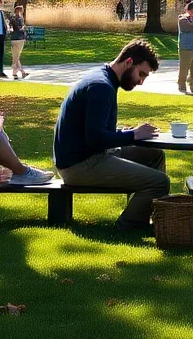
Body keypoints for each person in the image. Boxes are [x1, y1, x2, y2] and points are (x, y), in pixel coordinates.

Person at [53, 39, 167, 231]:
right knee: (159, 182)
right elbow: (96, 139)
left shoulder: (103, 78)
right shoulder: (101, 87)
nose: (141, 82)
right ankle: (129, 227)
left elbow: (94, 131)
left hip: (86, 156)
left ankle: (148, 215)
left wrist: (125, 133)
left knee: (154, 155)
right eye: (141, 74)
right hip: (79, 165)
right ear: (128, 62)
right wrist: (132, 136)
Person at [8, 4, 29, 79]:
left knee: (16, 56)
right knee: (16, 56)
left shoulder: (21, 18)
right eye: (19, 10)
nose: (20, 12)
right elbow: (10, 27)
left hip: (21, 38)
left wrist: (23, 30)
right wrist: (11, 30)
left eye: (21, 11)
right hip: (15, 38)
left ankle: (14, 72)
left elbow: (23, 27)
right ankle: (22, 71)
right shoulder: (13, 18)